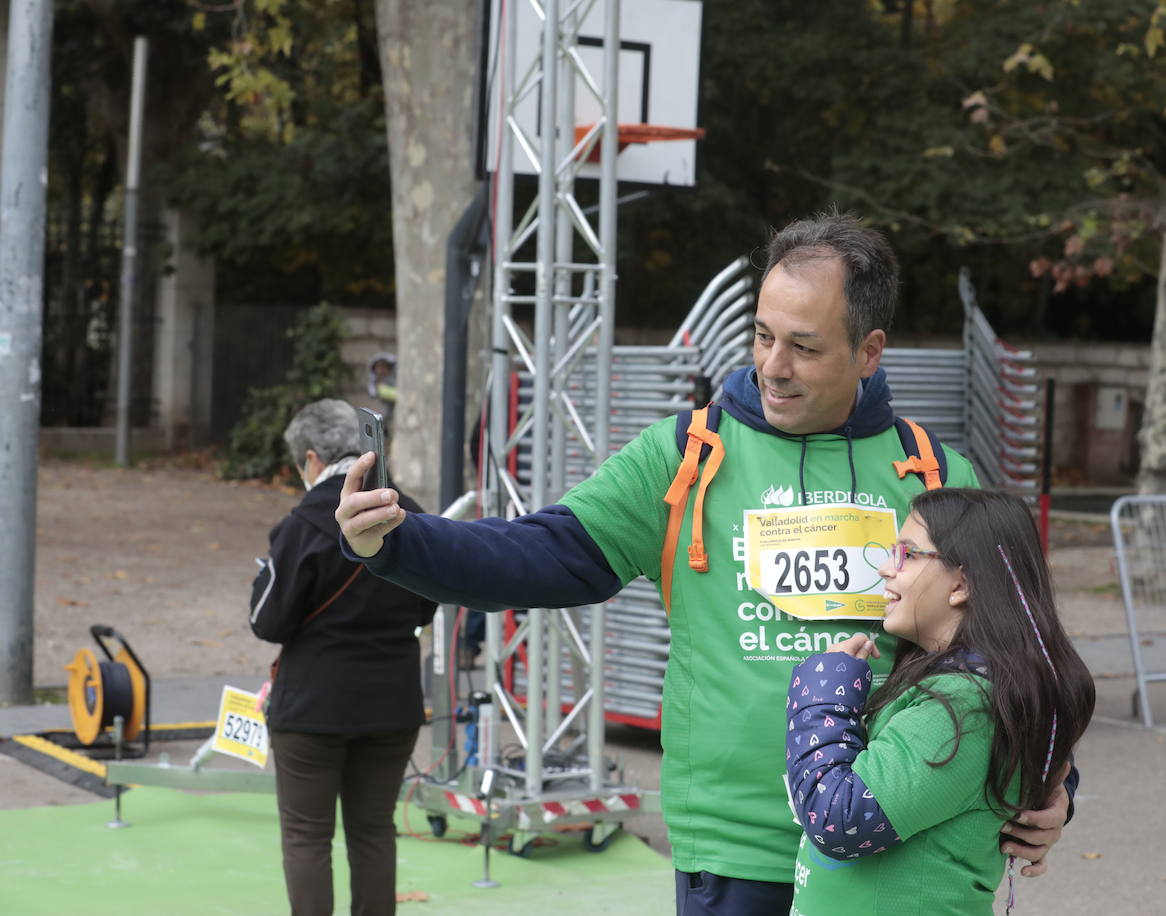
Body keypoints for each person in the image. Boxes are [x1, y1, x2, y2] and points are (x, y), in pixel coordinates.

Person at [335, 212, 1076, 915]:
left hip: (888, 854)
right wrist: (398, 539)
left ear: (870, 351)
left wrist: (1055, 781)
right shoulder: (683, 454)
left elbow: (1020, 649)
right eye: (762, 336)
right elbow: (541, 554)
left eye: (805, 347)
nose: (772, 367)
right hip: (734, 850)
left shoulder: (937, 471)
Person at [784, 488, 1095, 914]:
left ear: (962, 584)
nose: (885, 568)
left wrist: (821, 693)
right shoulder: (955, 683)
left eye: (907, 554)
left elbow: (840, 821)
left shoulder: (964, 705)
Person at [250, 398, 435, 916]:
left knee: (308, 837)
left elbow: (268, 622)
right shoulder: (410, 512)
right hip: (393, 700)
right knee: (375, 832)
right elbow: (429, 601)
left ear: (311, 460)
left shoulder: (304, 523)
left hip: (313, 705)